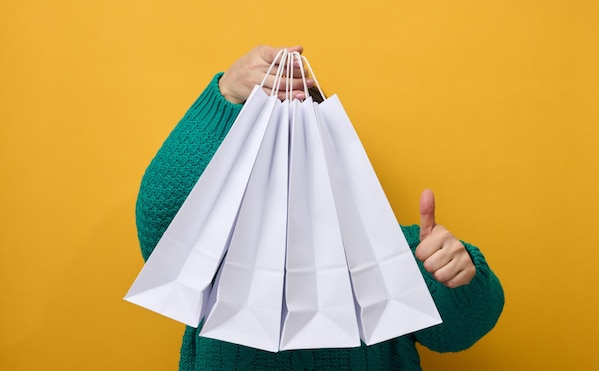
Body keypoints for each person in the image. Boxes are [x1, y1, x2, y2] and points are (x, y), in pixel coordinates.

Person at [135, 45, 505, 370]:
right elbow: (162, 217)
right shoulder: (214, 250)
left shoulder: (393, 251)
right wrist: (227, 94)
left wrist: (460, 276)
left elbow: (460, 331)